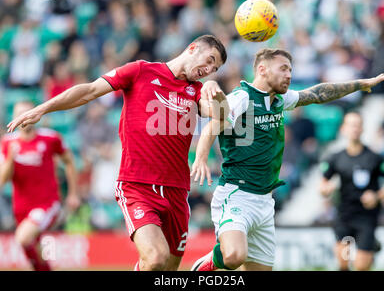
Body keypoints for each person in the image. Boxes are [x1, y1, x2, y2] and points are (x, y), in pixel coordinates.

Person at [7, 34, 228, 271]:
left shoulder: (196, 91)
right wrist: (44, 108)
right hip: (137, 186)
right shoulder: (141, 71)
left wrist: (217, 92)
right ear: (193, 48)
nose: (208, 69)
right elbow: (90, 90)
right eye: (209, 60)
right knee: (156, 258)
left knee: (167, 269)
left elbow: (221, 116)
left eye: (214, 69)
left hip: (177, 190)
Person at [189, 48, 384, 271]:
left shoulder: (280, 100)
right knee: (234, 256)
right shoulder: (241, 97)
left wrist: (359, 84)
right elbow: (216, 121)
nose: (289, 75)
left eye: (290, 70)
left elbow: (318, 93)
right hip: (237, 194)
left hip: (265, 201)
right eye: (283, 69)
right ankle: (206, 264)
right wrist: (202, 157)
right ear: (262, 70)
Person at [0, 101, 80, 271]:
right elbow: (3, 180)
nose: (22, 118)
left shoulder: (51, 138)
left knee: (22, 238)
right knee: (33, 251)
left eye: (26, 113)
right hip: (20, 207)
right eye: (19, 114)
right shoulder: (7, 143)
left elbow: (69, 161)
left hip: (46, 203)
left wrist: (73, 193)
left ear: (34, 115)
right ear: (13, 118)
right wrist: (10, 159)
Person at [319, 112, 384, 271]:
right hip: (344, 215)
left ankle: (370, 247)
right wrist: (326, 190)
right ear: (343, 129)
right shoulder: (335, 158)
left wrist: (377, 196)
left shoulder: (374, 157)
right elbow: (323, 184)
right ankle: (370, 248)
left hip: (366, 217)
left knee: (361, 266)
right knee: (343, 263)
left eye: (358, 125)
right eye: (351, 125)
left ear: (362, 129)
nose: (354, 128)